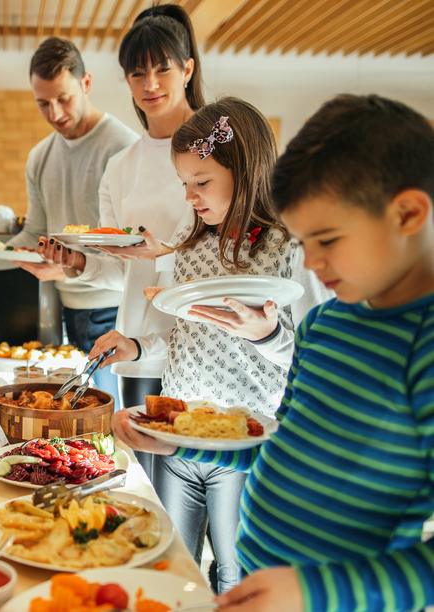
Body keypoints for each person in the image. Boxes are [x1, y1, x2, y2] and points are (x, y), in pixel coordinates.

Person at [113, 94, 434, 612]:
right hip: (267, 585)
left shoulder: (423, 350)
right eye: (304, 241)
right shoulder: (326, 326)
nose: (308, 260)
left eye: (325, 238)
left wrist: (310, 591)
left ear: (408, 214)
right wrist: (183, 447)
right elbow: (275, 442)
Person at [90, 98, 332, 593]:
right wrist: (137, 347)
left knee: (234, 575)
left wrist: (267, 335)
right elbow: (185, 338)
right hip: (178, 433)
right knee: (172, 566)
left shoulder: (289, 247)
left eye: (202, 183)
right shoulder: (191, 241)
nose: (190, 196)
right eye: (185, 183)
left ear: (245, 172)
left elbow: (318, 356)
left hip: (244, 440)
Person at [35, 4, 202, 476]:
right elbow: (122, 272)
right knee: (148, 497)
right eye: (136, 73)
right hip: (139, 350)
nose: (149, 85)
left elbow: (228, 258)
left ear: (186, 69)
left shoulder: (213, 147)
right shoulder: (122, 165)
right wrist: (77, 262)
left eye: (162, 69)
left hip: (202, 349)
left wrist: (165, 254)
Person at [0, 37, 137, 406]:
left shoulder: (124, 149)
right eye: (43, 103)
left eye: (63, 98)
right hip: (67, 310)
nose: (55, 113)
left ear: (87, 83)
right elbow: (34, 232)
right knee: (73, 414)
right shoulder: (40, 157)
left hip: (115, 310)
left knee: (104, 418)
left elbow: (131, 245)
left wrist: (65, 271)